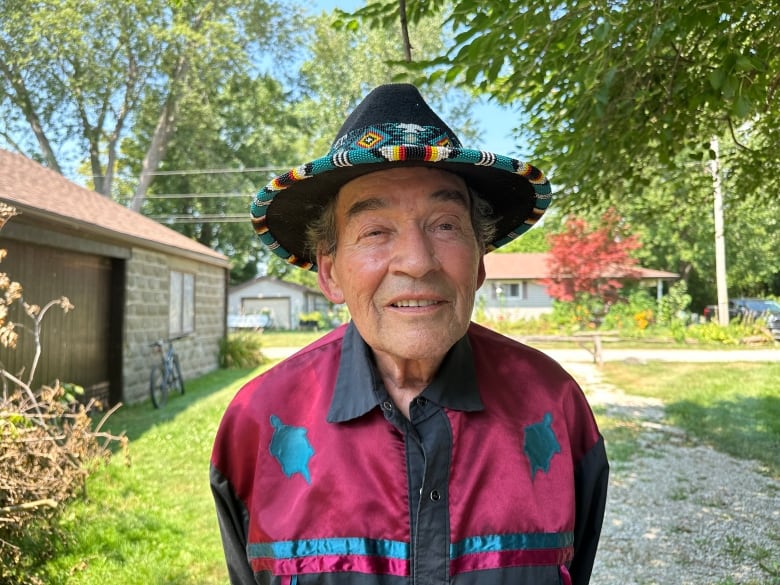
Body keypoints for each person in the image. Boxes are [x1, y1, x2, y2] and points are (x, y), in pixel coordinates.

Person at [211, 83, 609, 585]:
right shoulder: (258, 424)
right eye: (375, 232)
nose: (418, 262)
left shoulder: (555, 407)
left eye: (444, 225)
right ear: (330, 274)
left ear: (480, 265)